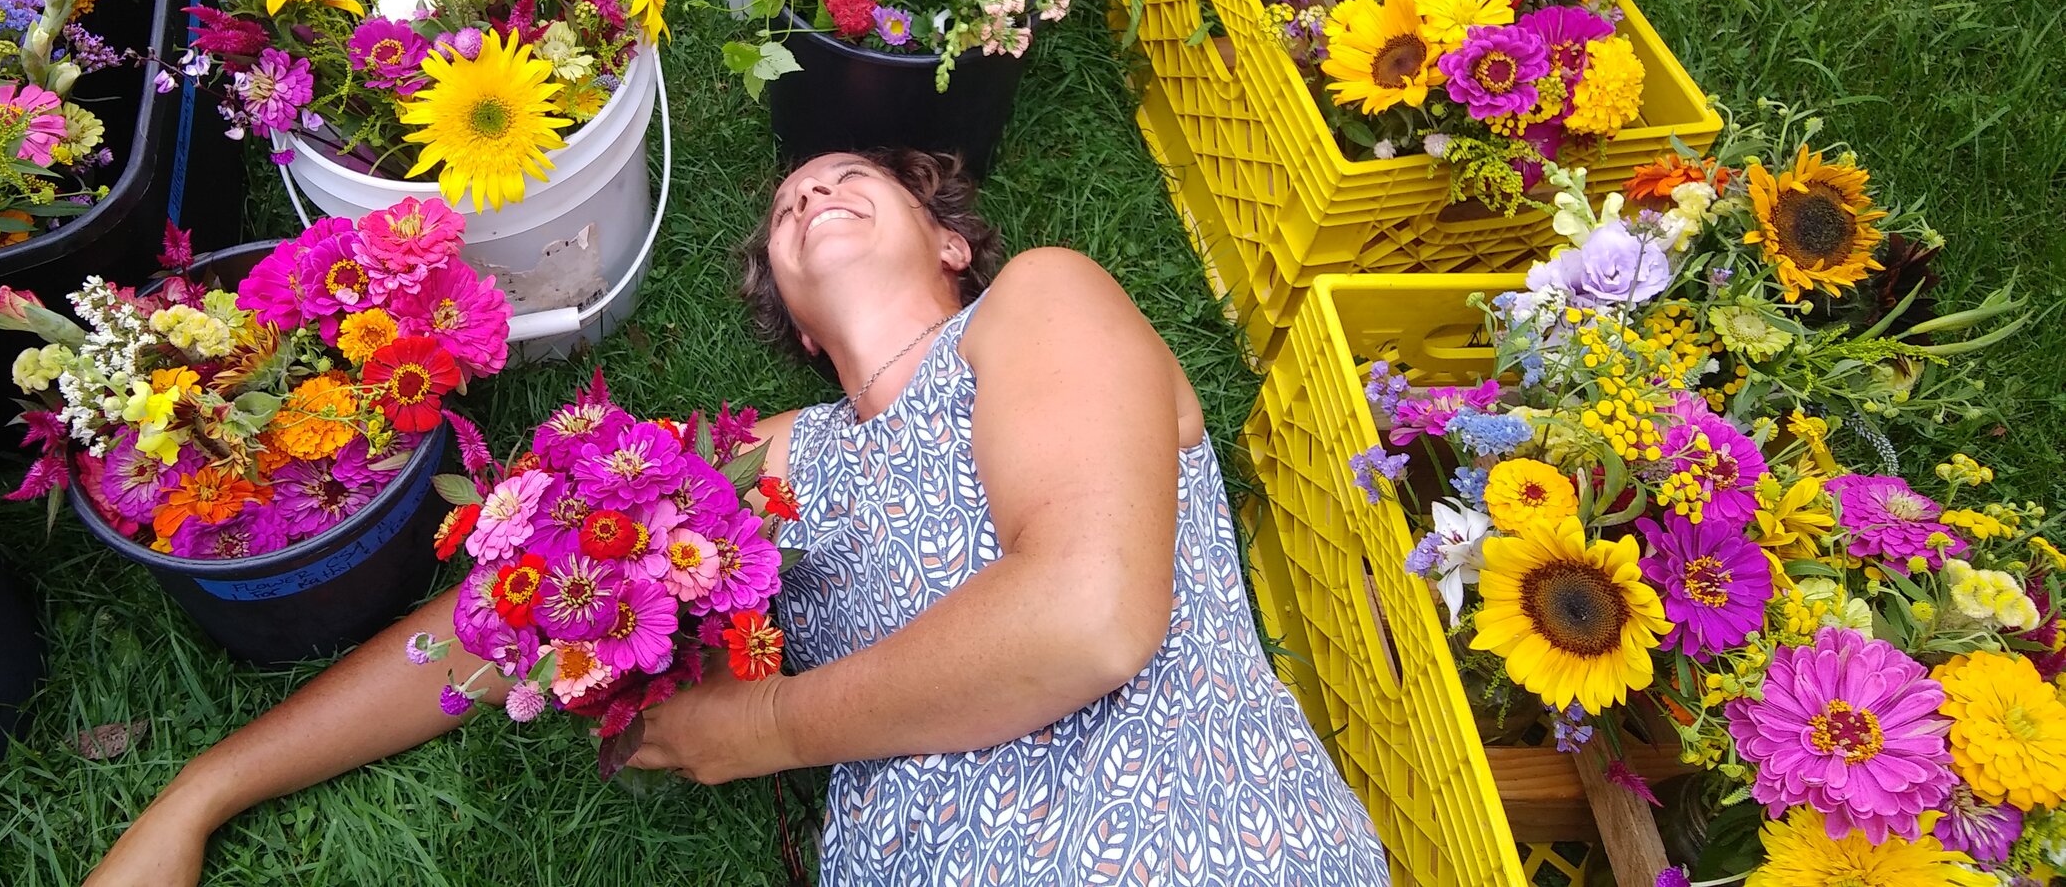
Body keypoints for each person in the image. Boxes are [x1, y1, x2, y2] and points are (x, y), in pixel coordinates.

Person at [85, 149, 1387, 886]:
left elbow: (1089, 616)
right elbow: (503, 619)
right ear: (792, 316)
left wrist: (754, 727)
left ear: (949, 243)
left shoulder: (1038, 305)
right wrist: (206, 789)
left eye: (854, 179)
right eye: (784, 209)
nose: (813, 187)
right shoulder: (760, 466)